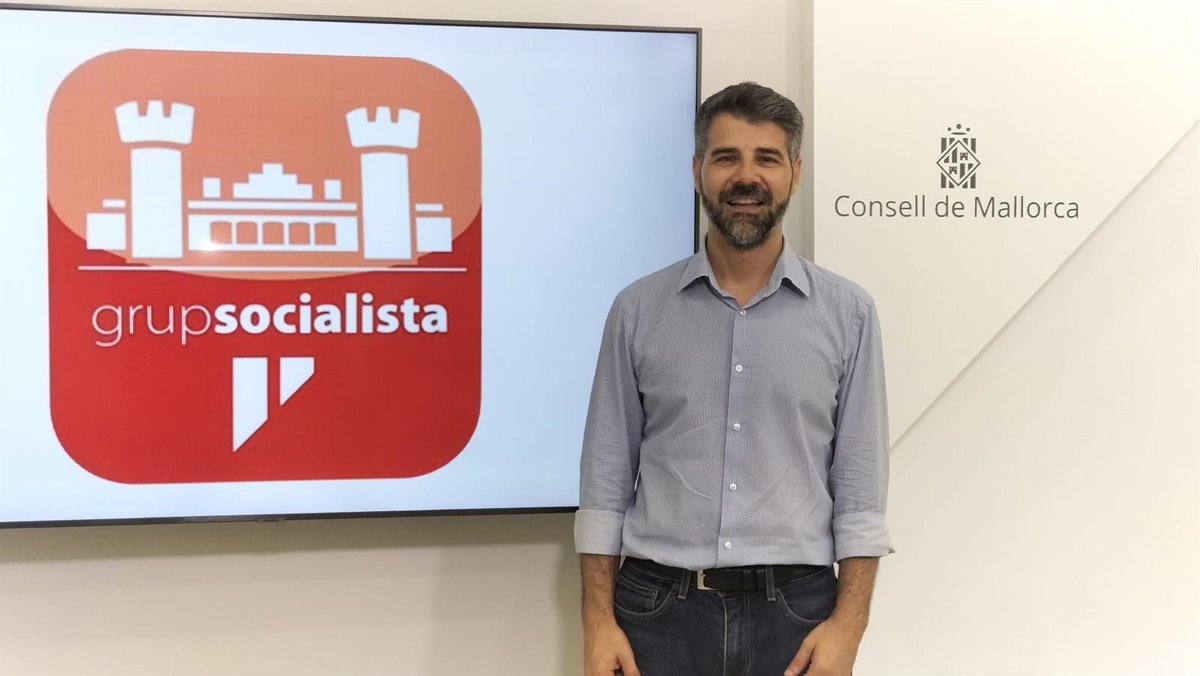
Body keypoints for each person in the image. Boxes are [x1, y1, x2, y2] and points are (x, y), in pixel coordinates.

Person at [575, 82, 893, 676]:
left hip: (797, 616)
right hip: (656, 613)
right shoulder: (637, 310)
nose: (747, 177)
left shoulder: (848, 314)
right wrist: (597, 623)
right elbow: (604, 482)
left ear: (795, 172)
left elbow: (860, 491)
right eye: (727, 158)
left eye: (766, 158)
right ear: (698, 169)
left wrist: (849, 628)